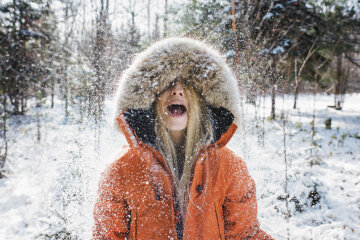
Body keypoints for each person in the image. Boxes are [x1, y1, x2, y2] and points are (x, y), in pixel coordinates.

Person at [92, 38, 273, 240]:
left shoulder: (229, 166)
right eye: (167, 85)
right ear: (152, 99)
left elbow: (245, 235)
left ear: (200, 101)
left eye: (186, 86)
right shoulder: (122, 168)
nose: (176, 91)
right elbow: (106, 236)